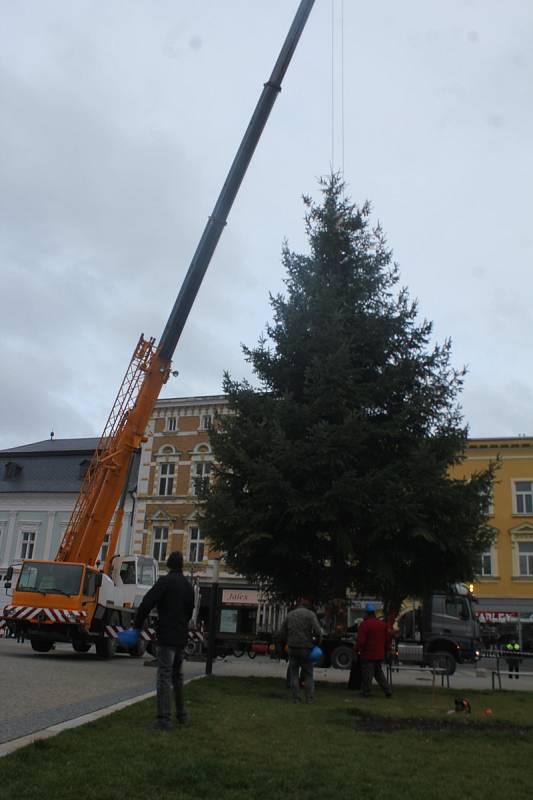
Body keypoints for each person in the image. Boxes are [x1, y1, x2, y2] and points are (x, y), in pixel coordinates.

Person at [134, 551, 195, 730]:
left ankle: (164, 719)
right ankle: (182, 715)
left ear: (168, 564)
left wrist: (138, 624)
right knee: (177, 677)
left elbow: (147, 602)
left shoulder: (164, 582)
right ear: (182, 565)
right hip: (180, 637)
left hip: (166, 636)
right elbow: (190, 611)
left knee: (164, 676)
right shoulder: (188, 586)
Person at [280, 597, 322, 704]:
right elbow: (318, 631)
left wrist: (287, 641)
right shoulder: (310, 614)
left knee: (294, 673)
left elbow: (282, 631)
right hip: (306, 647)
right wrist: (317, 642)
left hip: (292, 647)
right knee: (308, 674)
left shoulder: (290, 615)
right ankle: (309, 699)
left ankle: (296, 698)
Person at [355, 602, 392, 698]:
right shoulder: (382, 624)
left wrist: (355, 650)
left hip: (368, 654)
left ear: (367, 613)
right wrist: (387, 650)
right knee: (378, 673)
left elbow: (361, 641)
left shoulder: (365, 625)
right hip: (379, 654)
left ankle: (367, 692)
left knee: (367, 674)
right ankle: (387, 690)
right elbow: (387, 640)